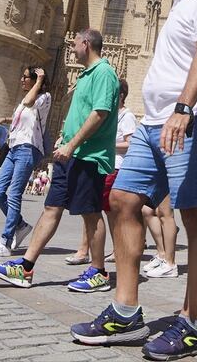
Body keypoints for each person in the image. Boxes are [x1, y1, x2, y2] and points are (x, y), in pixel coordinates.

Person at [70, 0, 197, 359]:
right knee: (122, 199)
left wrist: (183, 107)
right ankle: (125, 311)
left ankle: (193, 323)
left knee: (196, 218)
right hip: (153, 123)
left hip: (193, 120)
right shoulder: (179, 2)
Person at [0, 29, 118, 294]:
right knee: (51, 208)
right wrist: (64, 138)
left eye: (75, 43)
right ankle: (25, 267)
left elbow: (99, 113)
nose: (71, 47)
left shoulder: (104, 72)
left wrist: (72, 144)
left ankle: (99, 272)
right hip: (69, 154)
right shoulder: (85, 75)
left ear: (86, 44)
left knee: (91, 214)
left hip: (88, 155)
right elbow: (82, 113)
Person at [0, 66, 51, 257]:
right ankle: (21, 225)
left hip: (28, 149)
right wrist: (4, 119)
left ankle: (5, 242)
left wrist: (39, 81)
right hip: (14, 148)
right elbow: (21, 117)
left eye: (25, 77)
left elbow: (30, 103)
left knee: (14, 193)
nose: (21, 80)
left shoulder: (44, 97)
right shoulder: (27, 99)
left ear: (36, 80)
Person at [70, 78, 134, 264]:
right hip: (103, 164)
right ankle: (88, 250)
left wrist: (109, 144)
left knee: (100, 210)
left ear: (120, 95)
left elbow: (130, 143)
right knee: (93, 207)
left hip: (114, 166)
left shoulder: (127, 116)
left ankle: (109, 250)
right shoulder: (110, 115)